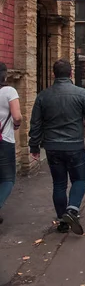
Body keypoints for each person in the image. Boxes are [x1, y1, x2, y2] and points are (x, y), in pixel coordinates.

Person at [29, 59, 85, 235]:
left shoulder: (43, 96)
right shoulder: (81, 94)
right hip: (74, 146)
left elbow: (35, 124)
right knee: (79, 180)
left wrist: (34, 147)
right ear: (71, 74)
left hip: (52, 147)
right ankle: (72, 210)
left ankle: (62, 222)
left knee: (59, 184)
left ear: (53, 74)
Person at [0, 62, 22, 224]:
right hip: (4, 141)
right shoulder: (9, 91)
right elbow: (17, 116)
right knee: (8, 179)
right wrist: (16, 125)